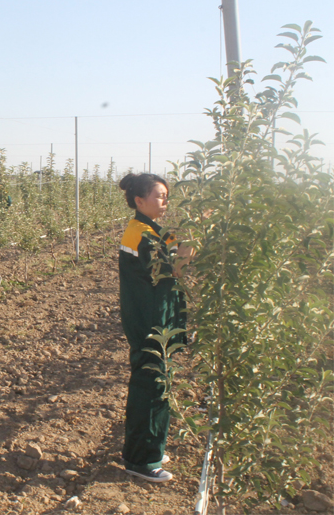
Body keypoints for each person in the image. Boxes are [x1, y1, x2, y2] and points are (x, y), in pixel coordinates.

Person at [118, 173, 193, 483]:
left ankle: (150, 449)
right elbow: (175, 269)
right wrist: (190, 242)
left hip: (157, 321)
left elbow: (175, 249)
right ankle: (142, 460)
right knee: (151, 388)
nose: (166, 201)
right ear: (140, 201)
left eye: (166, 195)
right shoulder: (141, 236)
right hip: (150, 324)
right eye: (160, 196)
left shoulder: (152, 230)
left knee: (156, 385)